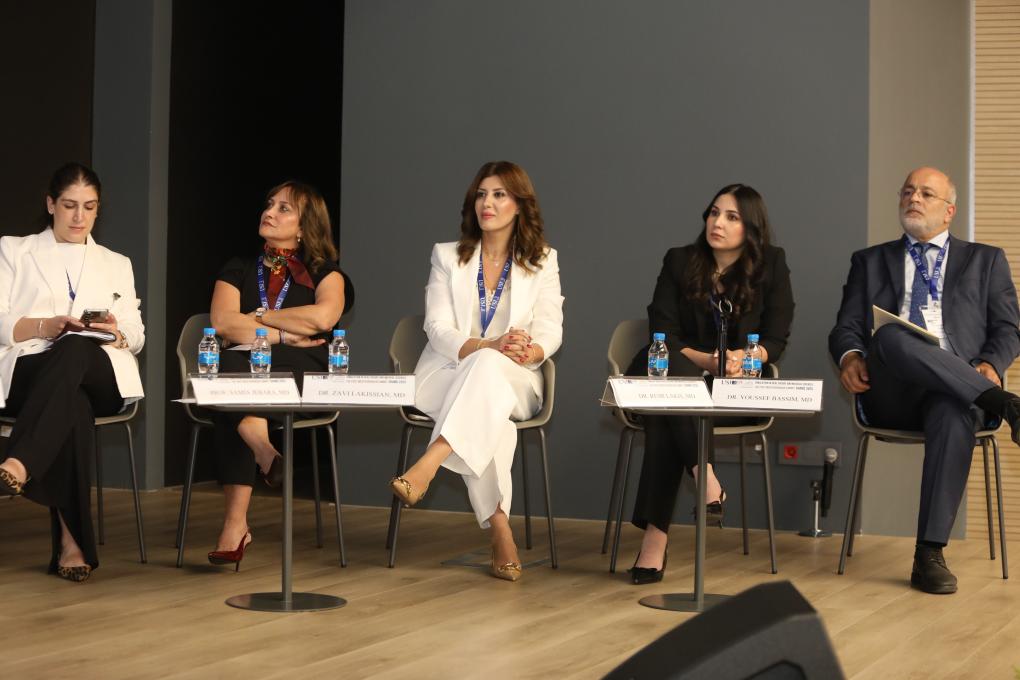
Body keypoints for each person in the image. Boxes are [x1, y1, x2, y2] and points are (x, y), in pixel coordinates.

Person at [829, 166, 1020, 595]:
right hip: (892, 390)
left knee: (953, 411)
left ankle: (928, 554)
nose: (913, 198)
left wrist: (991, 362)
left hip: (956, 390)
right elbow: (846, 327)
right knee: (890, 335)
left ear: (949, 210)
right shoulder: (869, 261)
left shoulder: (986, 260)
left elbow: (1009, 329)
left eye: (926, 194)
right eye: (908, 191)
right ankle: (1002, 402)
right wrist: (851, 356)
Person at [389, 161, 563, 582]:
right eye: (482, 194)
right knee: (492, 417)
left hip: (515, 376)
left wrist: (529, 350)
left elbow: (551, 328)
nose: (488, 202)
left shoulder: (543, 260)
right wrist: (489, 346)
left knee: (489, 376)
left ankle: (431, 460)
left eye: (500, 194)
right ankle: (501, 529)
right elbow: (437, 328)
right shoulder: (446, 256)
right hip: (446, 372)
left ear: (520, 204)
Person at [626, 184, 794, 585]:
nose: (717, 222)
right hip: (673, 370)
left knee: (667, 408)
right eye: (714, 212)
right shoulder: (680, 260)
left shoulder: (771, 264)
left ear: (751, 227)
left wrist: (744, 358)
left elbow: (776, 338)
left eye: (732, 217)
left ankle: (655, 538)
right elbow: (663, 331)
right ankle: (705, 475)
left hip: (734, 387)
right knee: (673, 386)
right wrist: (708, 361)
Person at [0, 162, 145, 582]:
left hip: (101, 372)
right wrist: (45, 326)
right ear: (50, 204)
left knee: (77, 347)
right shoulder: (14, 250)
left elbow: (137, 334)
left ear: (99, 209)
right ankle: (71, 545)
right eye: (69, 205)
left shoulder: (117, 262)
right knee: (73, 405)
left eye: (89, 207)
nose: (79, 217)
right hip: (30, 368)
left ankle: (21, 460)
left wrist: (115, 331)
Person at [206, 180, 353, 569]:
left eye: (283, 208)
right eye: (269, 204)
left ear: (305, 226)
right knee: (235, 374)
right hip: (247, 364)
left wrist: (258, 317)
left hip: (304, 370)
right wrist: (286, 334)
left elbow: (323, 318)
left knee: (234, 394)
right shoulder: (237, 267)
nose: (269, 212)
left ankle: (236, 522)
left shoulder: (325, 272)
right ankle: (265, 455)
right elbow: (223, 323)